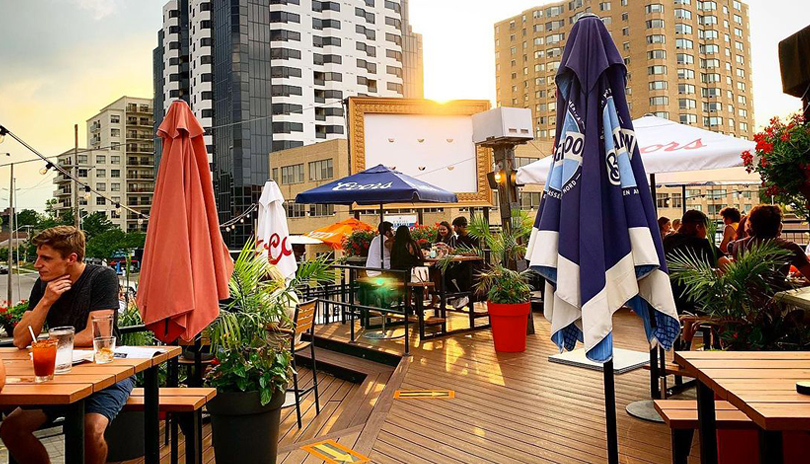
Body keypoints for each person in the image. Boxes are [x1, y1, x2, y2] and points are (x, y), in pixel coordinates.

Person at [2, 226, 130, 464]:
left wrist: (47, 340)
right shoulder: (44, 285)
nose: (38, 263)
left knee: (90, 430)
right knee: (12, 428)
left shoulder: (101, 277)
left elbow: (95, 334)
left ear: (71, 258)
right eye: (38, 256)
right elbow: (21, 339)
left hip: (106, 373)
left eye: (46, 258)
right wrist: (46, 301)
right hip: (59, 376)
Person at [663, 210, 730, 314]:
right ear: (698, 227)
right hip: (697, 300)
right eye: (706, 228)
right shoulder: (703, 244)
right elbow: (729, 268)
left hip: (669, 297)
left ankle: (688, 328)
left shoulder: (668, 240)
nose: (707, 233)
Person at [731, 205, 810, 283]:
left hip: (746, 294)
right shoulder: (789, 247)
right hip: (776, 294)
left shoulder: (738, 245)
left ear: (751, 224)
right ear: (778, 225)